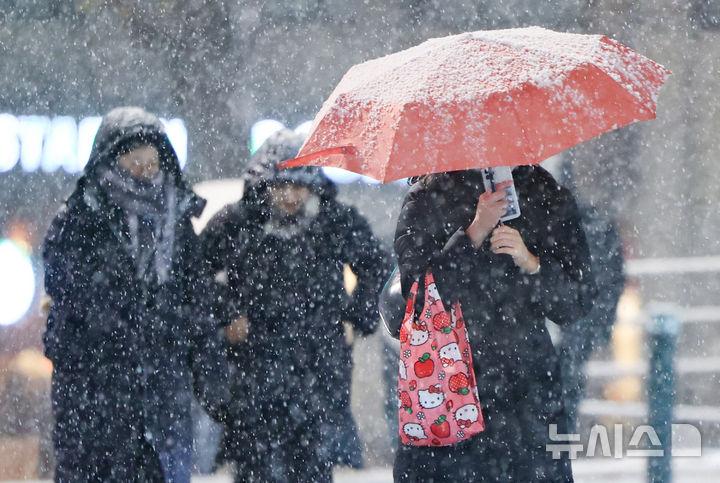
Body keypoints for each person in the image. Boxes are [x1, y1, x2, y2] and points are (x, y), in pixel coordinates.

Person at [43, 107, 229, 482]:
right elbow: (66, 290)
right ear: (112, 159)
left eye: (151, 159)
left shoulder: (177, 218)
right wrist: (113, 325)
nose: (144, 169)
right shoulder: (81, 216)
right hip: (95, 390)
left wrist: (208, 371)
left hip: (162, 391)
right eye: (134, 159)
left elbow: (196, 297)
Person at [201, 129, 387, 483]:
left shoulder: (333, 222)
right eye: (281, 186)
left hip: (317, 365)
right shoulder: (238, 222)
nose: (290, 196)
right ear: (265, 184)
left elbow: (376, 264)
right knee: (256, 465)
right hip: (255, 367)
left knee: (312, 464)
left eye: (299, 186)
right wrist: (227, 315)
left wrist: (357, 316)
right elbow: (195, 274)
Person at [392, 167, 596, 482]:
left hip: (528, 393)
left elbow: (577, 300)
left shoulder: (541, 191)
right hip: (449, 387)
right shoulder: (428, 197)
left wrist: (531, 262)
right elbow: (417, 299)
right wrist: (474, 232)